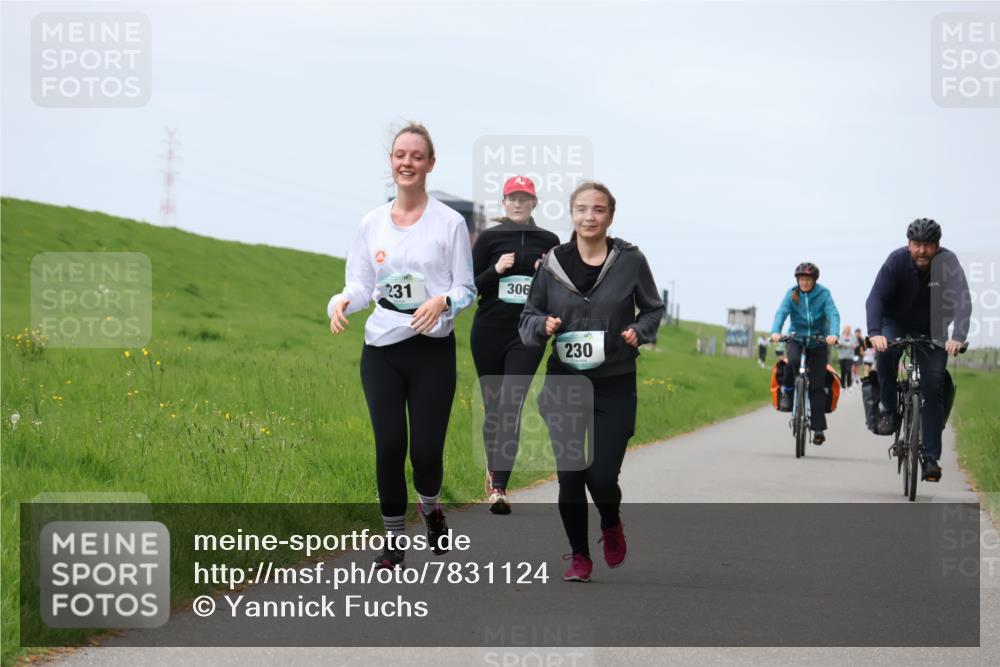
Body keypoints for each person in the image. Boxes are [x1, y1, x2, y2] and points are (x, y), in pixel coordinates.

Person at [328, 123, 476, 568]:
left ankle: (431, 507)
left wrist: (442, 300)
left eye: (416, 156)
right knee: (389, 445)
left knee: (426, 452)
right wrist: (341, 301)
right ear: (391, 162)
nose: (407, 163)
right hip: (382, 351)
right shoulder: (371, 222)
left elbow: (467, 289)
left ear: (430, 164)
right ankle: (393, 540)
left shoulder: (449, 223)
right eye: (400, 155)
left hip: (432, 351)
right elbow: (360, 283)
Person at [519, 181, 664, 582]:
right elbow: (528, 316)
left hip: (614, 381)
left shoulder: (630, 260)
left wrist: (640, 330)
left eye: (598, 210)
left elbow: (652, 310)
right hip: (564, 379)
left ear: (610, 216)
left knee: (601, 476)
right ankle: (579, 556)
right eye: (582, 209)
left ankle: (611, 521)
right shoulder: (552, 262)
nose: (589, 216)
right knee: (569, 474)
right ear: (571, 214)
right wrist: (541, 325)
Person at [471, 176, 559, 514]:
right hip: (489, 332)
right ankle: (493, 469)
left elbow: (560, 291)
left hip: (527, 335)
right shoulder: (489, 239)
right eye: (513, 198)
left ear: (534, 203)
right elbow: (470, 288)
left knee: (511, 405)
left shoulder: (549, 241)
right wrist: (496, 268)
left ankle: (499, 488)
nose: (519, 204)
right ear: (504, 202)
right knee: (495, 407)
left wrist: (544, 274)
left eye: (525, 198)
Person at [866, 218, 971, 482]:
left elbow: (962, 299)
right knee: (886, 353)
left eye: (927, 245)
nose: (921, 251)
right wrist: (875, 333)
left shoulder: (948, 263)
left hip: (934, 328)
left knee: (933, 385)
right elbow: (876, 297)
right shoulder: (896, 261)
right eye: (916, 245)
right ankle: (889, 408)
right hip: (896, 322)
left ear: (937, 246)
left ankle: (931, 458)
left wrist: (957, 337)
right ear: (909, 244)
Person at [769, 262, 840, 445]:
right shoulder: (792, 293)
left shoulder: (823, 294)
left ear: (814, 280)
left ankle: (818, 429)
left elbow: (833, 314)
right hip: (797, 338)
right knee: (791, 362)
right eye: (802, 279)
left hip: (818, 342)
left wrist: (833, 334)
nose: (805, 283)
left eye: (808, 280)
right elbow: (781, 312)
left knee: (817, 385)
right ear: (797, 280)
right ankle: (789, 393)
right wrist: (776, 331)